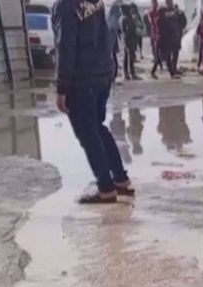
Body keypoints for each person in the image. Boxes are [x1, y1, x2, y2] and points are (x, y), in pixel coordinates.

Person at [53, 0, 132, 204]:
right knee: (97, 127)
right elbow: (105, 34)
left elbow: (66, 46)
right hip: (102, 73)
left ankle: (106, 188)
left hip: (83, 79)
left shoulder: (65, 6)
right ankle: (120, 179)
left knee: (88, 133)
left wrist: (62, 87)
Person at [157, 0, 187, 79]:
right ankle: (171, 71)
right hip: (166, 37)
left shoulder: (177, 12)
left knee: (175, 53)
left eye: (171, 2)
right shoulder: (162, 11)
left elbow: (183, 22)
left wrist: (179, 15)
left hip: (176, 36)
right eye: (168, 2)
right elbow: (162, 18)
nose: (170, 3)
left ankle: (174, 68)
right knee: (167, 55)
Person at [120, 2, 143, 80]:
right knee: (130, 57)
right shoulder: (127, 18)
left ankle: (126, 74)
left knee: (127, 57)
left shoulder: (122, 18)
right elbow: (129, 30)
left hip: (126, 39)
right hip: (129, 39)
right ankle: (132, 74)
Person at [106, 0, 123, 79]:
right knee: (112, 59)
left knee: (113, 58)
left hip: (112, 42)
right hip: (111, 43)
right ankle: (112, 75)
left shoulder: (111, 19)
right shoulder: (113, 20)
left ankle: (113, 75)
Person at [146, 0, 163, 78]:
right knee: (157, 54)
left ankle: (159, 67)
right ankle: (153, 71)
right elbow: (152, 23)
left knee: (160, 53)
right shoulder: (150, 13)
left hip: (160, 35)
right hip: (155, 35)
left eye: (156, 3)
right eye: (154, 3)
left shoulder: (159, 12)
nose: (156, 5)